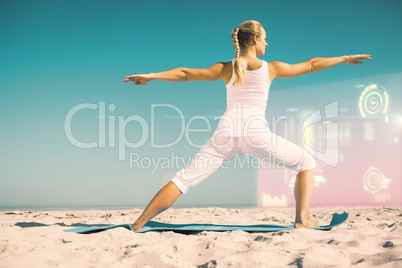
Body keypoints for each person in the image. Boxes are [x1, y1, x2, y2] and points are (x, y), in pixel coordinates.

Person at [124, 20, 371, 231]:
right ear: (254, 38)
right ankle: (302, 219)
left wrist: (151, 75)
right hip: (255, 134)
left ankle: (138, 224)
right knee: (306, 163)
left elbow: (185, 73)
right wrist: (344, 58)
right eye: (265, 38)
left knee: (182, 180)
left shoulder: (225, 68)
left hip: (226, 131)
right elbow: (311, 65)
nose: (267, 43)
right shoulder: (271, 68)